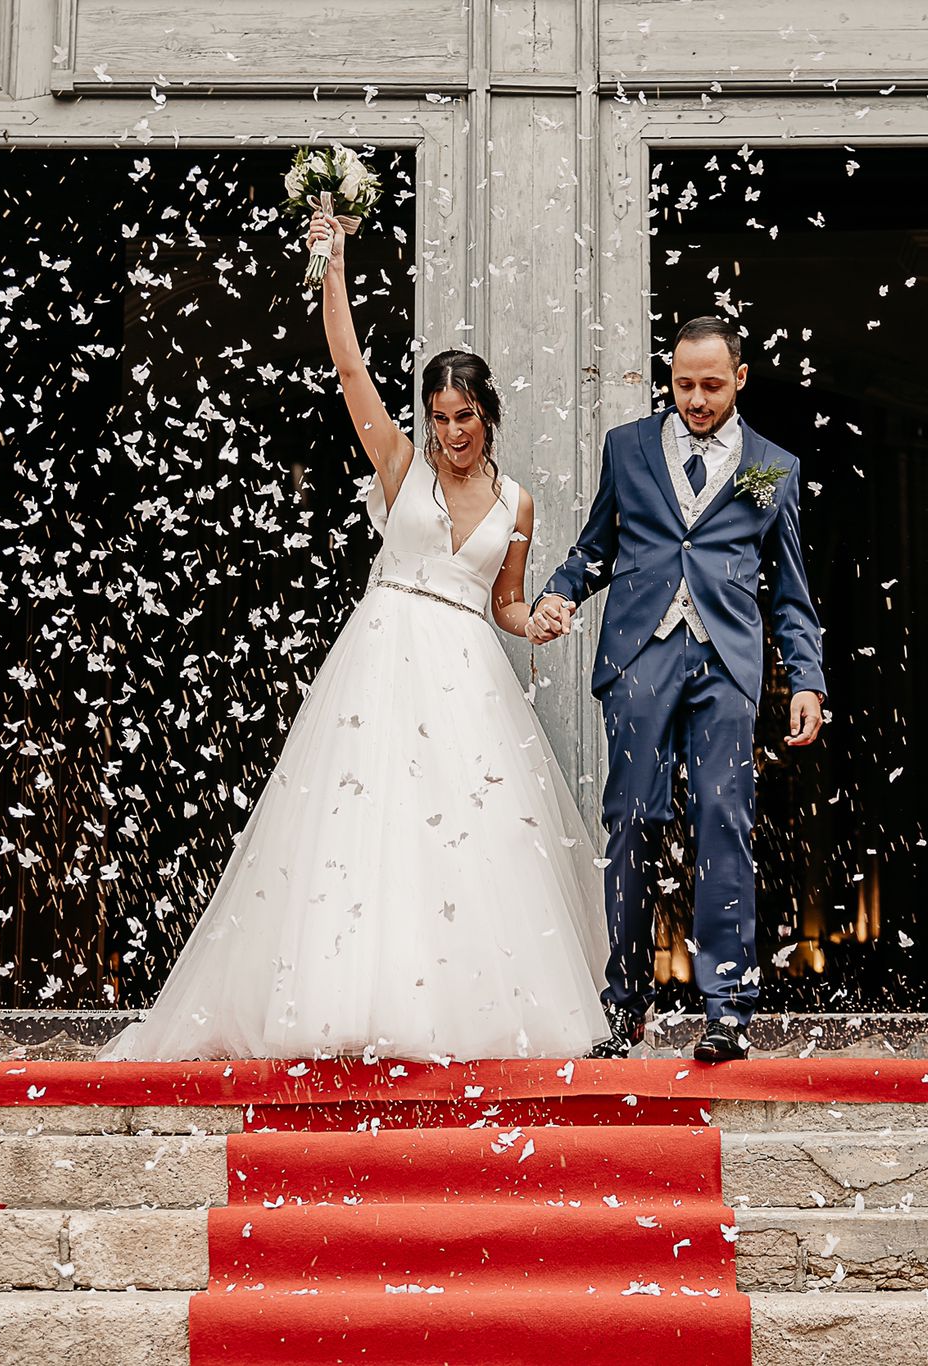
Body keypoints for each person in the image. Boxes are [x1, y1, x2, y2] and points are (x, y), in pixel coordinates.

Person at [102, 210, 608, 1062]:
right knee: (360, 825)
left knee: (467, 838)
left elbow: (509, 606)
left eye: (465, 416)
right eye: (440, 416)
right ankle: (344, 1001)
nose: (451, 432)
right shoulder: (400, 466)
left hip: (468, 676)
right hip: (382, 659)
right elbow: (347, 365)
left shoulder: (518, 502)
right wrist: (331, 264)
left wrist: (546, 621)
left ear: (488, 412)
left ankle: (465, 1013)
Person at [529, 317, 826, 1063]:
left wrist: (806, 680)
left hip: (725, 663)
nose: (696, 400)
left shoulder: (769, 469)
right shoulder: (628, 449)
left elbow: (790, 593)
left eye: (712, 386)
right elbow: (596, 549)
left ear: (741, 379)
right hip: (639, 658)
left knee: (724, 819)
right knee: (629, 822)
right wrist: (559, 594)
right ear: (670, 374)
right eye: (684, 384)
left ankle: (727, 1010)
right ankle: (625, 1001)